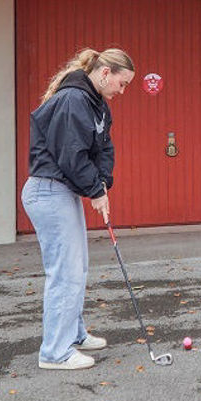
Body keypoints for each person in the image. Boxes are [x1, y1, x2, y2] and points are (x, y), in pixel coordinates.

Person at [21, 48, 135, 370]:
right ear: (104, 73)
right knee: (65, 272)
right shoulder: (73, 100)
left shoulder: (96, 105)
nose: (122, 91)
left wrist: (102, 184)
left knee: (78, 267)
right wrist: (94, 189)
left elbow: (104, 148)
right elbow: (71, 154)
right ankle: (55, 352)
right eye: (121, 83)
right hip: (48, 191)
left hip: (63, 191)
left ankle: (73, 333)